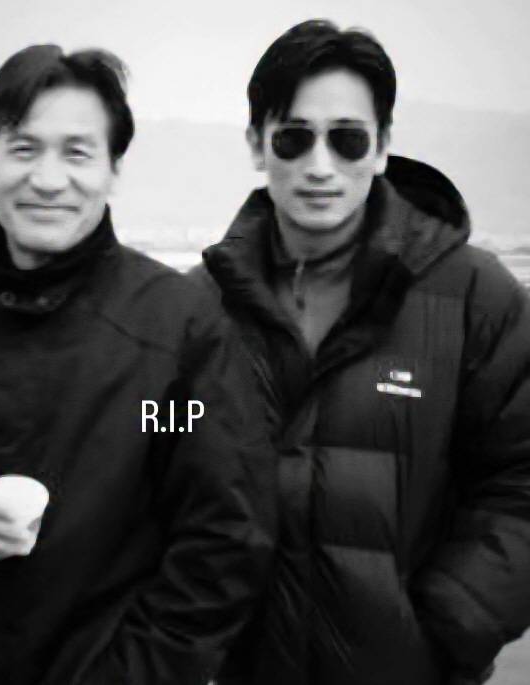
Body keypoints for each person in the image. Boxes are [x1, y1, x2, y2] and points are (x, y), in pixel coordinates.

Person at [191, 19, 530, 685]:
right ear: (257, 144)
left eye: (347, 139)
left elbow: (522, 479)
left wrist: (446, 625)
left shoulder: (477, 298)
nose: (320, 166)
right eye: (293, 138)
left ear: (382, 148)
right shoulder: (195, 308)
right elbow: (158, 440)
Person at [0, 45, 275, 685]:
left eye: (77, 153)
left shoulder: (173, 334)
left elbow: (222, 533)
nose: (47, 179)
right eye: (23, 148)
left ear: (114, 169)